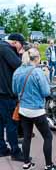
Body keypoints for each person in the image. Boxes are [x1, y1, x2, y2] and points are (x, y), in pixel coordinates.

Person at [12, 48, 56, 170]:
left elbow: (14, 90)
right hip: (36, 110)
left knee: (27, 137)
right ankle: (49, 166)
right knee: (47, 137)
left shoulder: (17, 71)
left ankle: (26, 164)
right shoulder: (38, 72)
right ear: (37, 58)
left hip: (23, 109)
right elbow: (46, 92)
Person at [0, 33, 27, 161]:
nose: (20, 48)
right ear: (15, 42)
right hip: (6, 94)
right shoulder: (7, 49)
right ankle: (15, 152)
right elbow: (19, 66)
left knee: (0, 123)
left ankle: (2, 149)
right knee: (12, 124)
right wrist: (21, 55)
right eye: (21, 45)